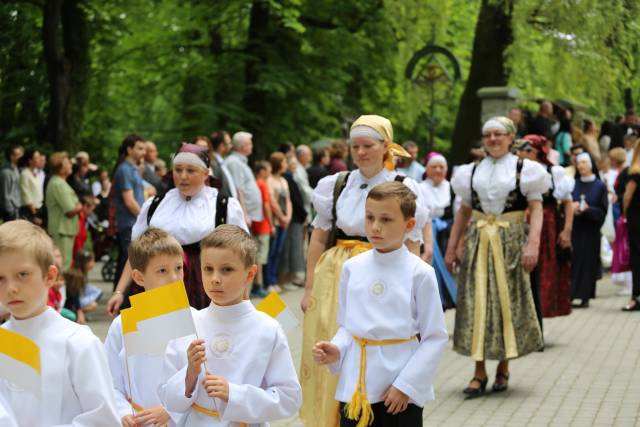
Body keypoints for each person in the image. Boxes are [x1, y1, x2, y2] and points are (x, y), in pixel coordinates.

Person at [300, 115, 431, 427]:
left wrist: (408, 286)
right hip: (335, 275)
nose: (360, 152)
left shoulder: (404, 187)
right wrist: (308, 288)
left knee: (370, 341)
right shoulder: (336, 185)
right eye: (355, 146)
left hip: (384, 269)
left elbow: (413, 243)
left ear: (385, 146)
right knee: (334, 344)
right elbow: (318, 237)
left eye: (368, 145)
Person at [313, 181, 447, 427]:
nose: (375, 227)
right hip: (356, 386)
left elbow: (435, 337)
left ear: (409, 225)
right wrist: (336, 349)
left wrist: (406, 386)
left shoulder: (420, 272)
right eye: (370, 217)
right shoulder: (352, 268)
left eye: (386, 220)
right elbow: (347, 327)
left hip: (398, 389)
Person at [445, 116, 549, 397]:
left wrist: (533, 244)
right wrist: (452, 246)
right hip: (479, 239)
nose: (492, 139)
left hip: (510, 239)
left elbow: (537, 209)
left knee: (507, 301)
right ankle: (478, 372)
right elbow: (463, 212)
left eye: (498, 134)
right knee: (476, 302)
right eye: (488, 134)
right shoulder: (470, 171)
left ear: (510, 137)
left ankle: (503, 367)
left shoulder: (526, 169)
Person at [160, 225, 302, 425]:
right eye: (208, 269)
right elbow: (168, 399)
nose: (215, 279)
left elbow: (289, 398)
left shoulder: (267, 329)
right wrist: (190, 374)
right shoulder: (190, 323)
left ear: (250, 274)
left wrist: (234, 394)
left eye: (226, 270)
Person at [0, 220, 120, 425]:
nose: (11, 288)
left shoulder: (79, 343)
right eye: (0, 278)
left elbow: (103, 419)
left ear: (50, 276)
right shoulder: (3, 339)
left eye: (22, 275)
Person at [107, 143, 247, 315]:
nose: (183, 176)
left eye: (190, 170)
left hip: (201, 284)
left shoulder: (223, 206)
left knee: (200, 337)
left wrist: (244, 300)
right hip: (155, 284)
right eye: (178, 169)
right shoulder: (155, 204)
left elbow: (242, 257)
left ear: (205, 173)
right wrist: (119, 292)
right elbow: (136, 254)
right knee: (155, 337)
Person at [104, 228, 186, 426]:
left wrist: (171, 409)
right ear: (139, 277)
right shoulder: (122, 325)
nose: (174, 278)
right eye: (162, 271)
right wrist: (123, 412)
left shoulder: (196, 320)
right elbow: (109, 380)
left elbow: (201, 380)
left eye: (178, 268)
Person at [518, 135, 574, 323]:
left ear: (536, 151)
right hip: (520, 225)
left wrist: (566, 231)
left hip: (547, 227)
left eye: (527, 149)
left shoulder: (553, 172)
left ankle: (539, 318)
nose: (521, 153)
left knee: (544, 273)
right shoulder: (516, 170)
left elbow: (568, 203)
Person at [418, 152, 456, 308]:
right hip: (425, 234)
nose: (438, 170)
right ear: (427, 169)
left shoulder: (452, 188)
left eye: (442, 167)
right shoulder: (419, 188)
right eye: (434, 167)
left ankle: (445, 301)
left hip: (447, 234)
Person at [570, 152, 608, 308]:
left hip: (591, 230)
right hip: (576, 228)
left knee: (588, 262)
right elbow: (566, 203)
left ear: (591, 164)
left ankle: (585, 296)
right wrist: (572, 208)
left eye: (585, 162)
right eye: (579, 163)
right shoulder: (573, 183)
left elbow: (602, 210)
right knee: (574, 261)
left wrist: (588, 210)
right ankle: (571, 294)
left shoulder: (599, 186)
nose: (581, 166)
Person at [111, 134, 146, 295]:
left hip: (133, 224)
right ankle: (122, 303)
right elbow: (129, 201)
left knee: (125, 263)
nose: (143, 152)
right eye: (140, 148)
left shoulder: (133, 169)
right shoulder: (124, 170)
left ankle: (121, 301)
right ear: (129, 149)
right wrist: (145, 218)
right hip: (129, 225)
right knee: (129, 264)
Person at [45, 152, 81, 270]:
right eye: (67, 163)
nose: (70, 165)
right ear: (59, 167)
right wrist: (81, 206)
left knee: (64, 263)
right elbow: (70, 210)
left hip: (64, 229)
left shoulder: (59, 182)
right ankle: (59, 288)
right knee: (62, 265)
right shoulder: (58, 184)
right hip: (62, 230)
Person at [279, 155, 308, 288]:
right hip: (293, 218)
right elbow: (294, 200)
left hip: (295, 217)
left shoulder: (290, 178)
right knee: (291, 249)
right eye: (292, 163)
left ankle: (292, 277)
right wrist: (303, 214)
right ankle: (287, 278)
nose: (295, 166)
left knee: (294, 248)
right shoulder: (287, 179)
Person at [265, 152, 292, 291]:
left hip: (284, 221)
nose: (286, 164)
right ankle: (269, 281)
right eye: (284, 162)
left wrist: (288, 217)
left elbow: (288, 200)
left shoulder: (284, 181)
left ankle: (275, 279)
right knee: (272, 251)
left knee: (279, 252)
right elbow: (272, 202)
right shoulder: (270, 180)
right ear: (278, 164)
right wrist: (281, 217)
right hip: (276, 221)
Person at [225, 131, 262, 226]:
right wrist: (244, 215)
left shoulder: (241, 162)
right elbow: (238, 190)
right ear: (242, 146)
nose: (252, 146)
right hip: (244, 217)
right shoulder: (234, 162)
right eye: (250, 144)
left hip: (249, 216)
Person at [621, 142, 640, 311]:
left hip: (636, 219)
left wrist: (624, 214)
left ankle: (636, 296)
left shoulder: (635, 173)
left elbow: (627, 197)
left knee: (637, 257)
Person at [251, 160, 273, 298]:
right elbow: (265, 204)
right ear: (262, 171)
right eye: (267, 169)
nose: (269, 171)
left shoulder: (254, 183)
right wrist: (271, 223)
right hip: (263, 225)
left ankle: (258, 284)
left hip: (256, 224)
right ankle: (258, 285)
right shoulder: (262, 184)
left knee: (258, 255)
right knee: (260, 256)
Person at [209, 131, 238, 199]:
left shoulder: (221, 162)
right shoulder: (214, 164)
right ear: (222, 146)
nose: (231, 146)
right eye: (229, 143)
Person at [18, 148, 44, 225]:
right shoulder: (25, 174)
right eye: (37, 157)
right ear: (30, 161)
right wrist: (35, 214)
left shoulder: (35, 174)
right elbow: (26, 196)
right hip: (29, 211)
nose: (39, 159)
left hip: (38, 209)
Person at [0, 144, 23, 221]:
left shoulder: (18, 169)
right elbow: (5, 194)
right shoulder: (6, 172)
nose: (21, 157)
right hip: (11, 212)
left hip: (18, 209)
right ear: (11, 156)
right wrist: (10, 211)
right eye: (19, 155)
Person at [294, 144, 314, 218]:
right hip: (301, 208)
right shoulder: (298, 170)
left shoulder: (301, 168)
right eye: (309, 155)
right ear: (302, 156)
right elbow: (304, 189)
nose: (310, 158)